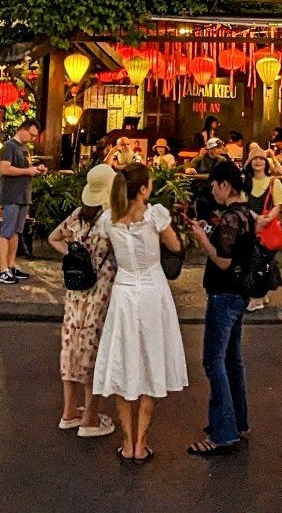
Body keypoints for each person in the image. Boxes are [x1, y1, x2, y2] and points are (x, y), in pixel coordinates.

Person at [93, 163, 187, 463]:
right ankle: (141, 444)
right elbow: (174, 244)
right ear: (144, 188)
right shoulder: (155, 215)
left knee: (124, 361)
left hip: (124, 291)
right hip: (152, 291)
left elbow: (105, 246)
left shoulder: (109, 218)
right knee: (149, 363)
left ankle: (127, 441)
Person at [186, 159, 256, 456]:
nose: (212, 190)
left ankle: (223, 432)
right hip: (240, 294)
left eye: (214, 184)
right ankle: (237, 421)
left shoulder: (230, 218)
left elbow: (224, 260)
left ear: (225, 185)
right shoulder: (247, 213)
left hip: (224, 294)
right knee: (231, 359)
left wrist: (202, 238)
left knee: (213, 360)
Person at [48, 164, 118, 438]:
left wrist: (72, 256)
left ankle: (69, 413)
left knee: (71, 347)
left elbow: (54, 237)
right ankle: (89, 418)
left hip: (75, 292)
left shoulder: (78, 215)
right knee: (93, 350)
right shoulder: (109, 220)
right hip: (100, 292)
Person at [0, 120, 47, 285]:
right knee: (6, 232)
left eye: (35, 136)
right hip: (11, 195)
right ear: (22, 129)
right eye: (31, 134)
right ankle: (3, 269)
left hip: (23, 195)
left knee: (17, 232)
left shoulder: (24, 148)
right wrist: (27, 170)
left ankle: (11, 265)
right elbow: (4, 169)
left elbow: (25, 170)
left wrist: (36, 171)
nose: (32, 138)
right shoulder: (9, 146)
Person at [244, 143, 282, 312]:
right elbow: (243, 204)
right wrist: (256, 219)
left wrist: (266, 219)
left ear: (266, 162)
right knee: (253, 262)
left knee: (264, 263)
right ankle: (258, 295)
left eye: (261, 158)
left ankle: (258, 297)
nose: (258, 162)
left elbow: (278, 204)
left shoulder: (275, 183)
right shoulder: (245, 183)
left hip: (268, 230)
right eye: (255, 159)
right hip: (251, 229)